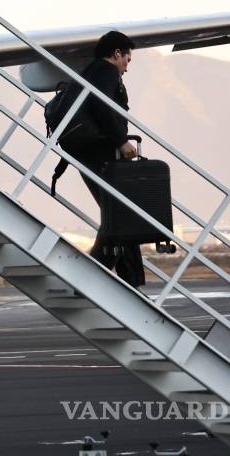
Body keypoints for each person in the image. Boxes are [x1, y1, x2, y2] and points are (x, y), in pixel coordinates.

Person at [63, 30, 145, 287]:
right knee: (120, 214)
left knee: (119, 214)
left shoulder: (93, 72)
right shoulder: (105, 71)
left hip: (91, 152)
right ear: (117, 54)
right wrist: (121, 140)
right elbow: (101, 106)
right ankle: (97, 277)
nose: (126, 67)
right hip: (100, 153)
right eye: (127, 60)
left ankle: (128, 281)